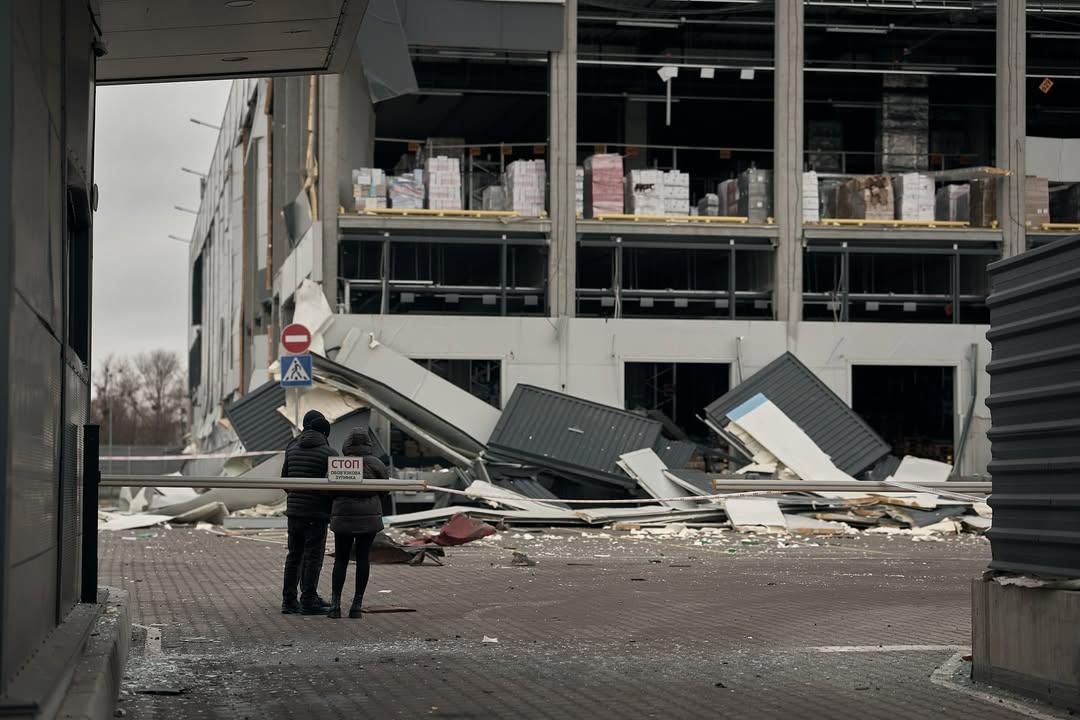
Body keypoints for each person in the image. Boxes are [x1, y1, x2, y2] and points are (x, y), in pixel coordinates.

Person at [327, 426, 388, 619]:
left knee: (341, 560)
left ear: (347, 444)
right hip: (369, 516)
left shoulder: (339, 464)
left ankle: (334, 605)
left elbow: (329, 490)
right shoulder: (376, 463)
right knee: (363, 559)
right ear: (368, 443)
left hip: (343, 515)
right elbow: (385, 489)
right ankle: (356, 605)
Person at [280, 410, 338, 615]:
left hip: (294, 512)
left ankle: (288, 601)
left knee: (294, 555)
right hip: (316, 513)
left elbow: (284, 479)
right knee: (313, 556)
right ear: (325, 431)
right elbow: (334, 487)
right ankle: (309, 600)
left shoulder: (291, 447)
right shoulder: (329, 453)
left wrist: (297, 497)